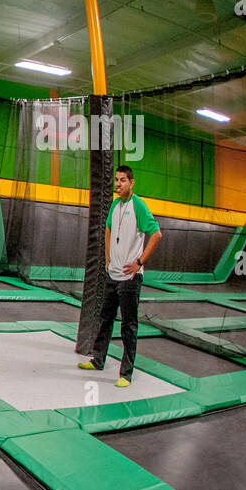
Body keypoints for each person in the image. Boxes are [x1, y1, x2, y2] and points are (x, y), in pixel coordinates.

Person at [79, 165, 162, 387]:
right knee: (105, 319)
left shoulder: (139, 206)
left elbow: (156, 234)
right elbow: (107, 229)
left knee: (128, 325)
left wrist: (139, 262)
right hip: (112, 275)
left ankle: (126, 373)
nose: (118, 184)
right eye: (116, 180)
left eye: (123, 180)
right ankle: (98, 360)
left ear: (131, 183)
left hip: (129, 279)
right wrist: (107, 258)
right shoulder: (115, 205)